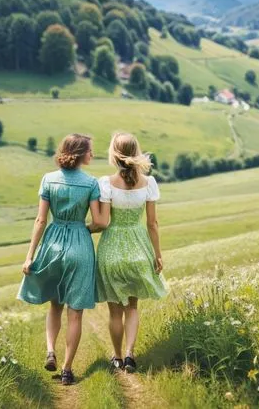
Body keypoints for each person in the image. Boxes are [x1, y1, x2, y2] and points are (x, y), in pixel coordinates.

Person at [17, 133, 106, 385]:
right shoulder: (91, 183)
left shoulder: (48, 179)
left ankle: (50, 351)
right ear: (80, 154)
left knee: (54, 305)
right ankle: (67, 370)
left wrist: (29, 256)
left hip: (53, 244)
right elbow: (99, 222)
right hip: (80, 246)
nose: (92, 154)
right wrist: (83, 229)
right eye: (90, 151)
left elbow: (40, 220)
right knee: (75, 314)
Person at [89, 132, 168, 373]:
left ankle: (116, 357)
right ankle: (130, 355)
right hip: (138, 250)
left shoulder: (106, 183)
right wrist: (157, 254)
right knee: (132, 308)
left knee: (115, 312)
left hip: (111, 250)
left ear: (114, 154)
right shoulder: (149, 184)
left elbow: (101, 221)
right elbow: (152, 224)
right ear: (136, 153)